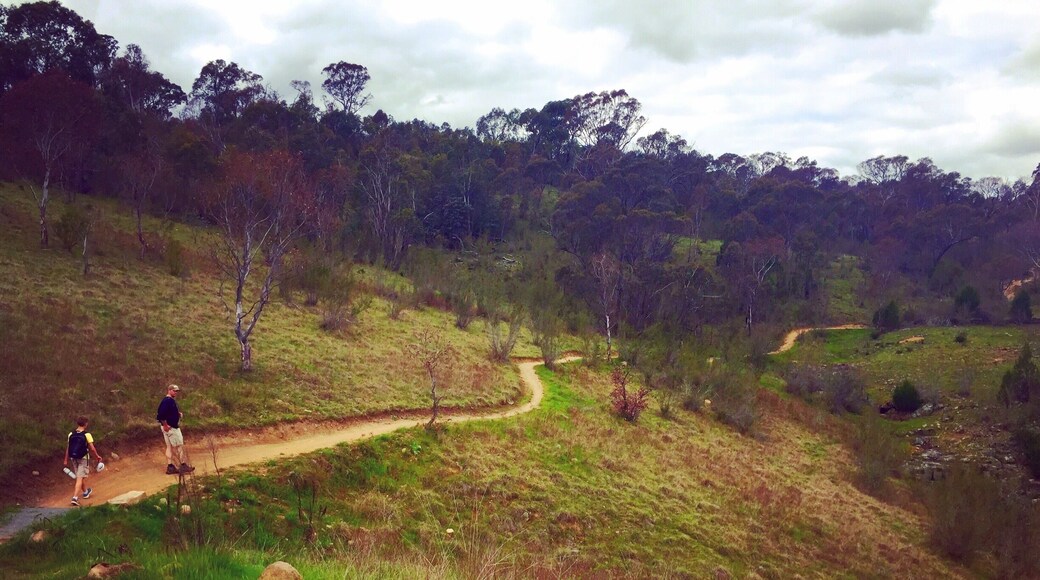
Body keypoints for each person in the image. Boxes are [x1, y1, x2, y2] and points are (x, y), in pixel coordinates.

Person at [156, 384, 194, 475]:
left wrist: (177, 414)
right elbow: (161, 415)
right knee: (179, 446)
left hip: (167, 427)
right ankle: (183, 465)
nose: (175, 392)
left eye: (176, 391)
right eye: (174, 391)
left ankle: (170, 467)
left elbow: (168, 412)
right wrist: (165, 425)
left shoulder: (168, 401)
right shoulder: (168, 401)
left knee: (169, 447)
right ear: (169, 390)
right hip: (171, 428)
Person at [65, 416, 102, 506]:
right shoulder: (87, 435)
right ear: (85, 424)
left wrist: (65, 459)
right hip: (83, 458)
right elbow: (92, 448)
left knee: (79, 476)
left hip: (73, 457)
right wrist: (97, 456)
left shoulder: (71, 434)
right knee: (80, 478)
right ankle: (75, 498)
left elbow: (68, 448)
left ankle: (85, 492)